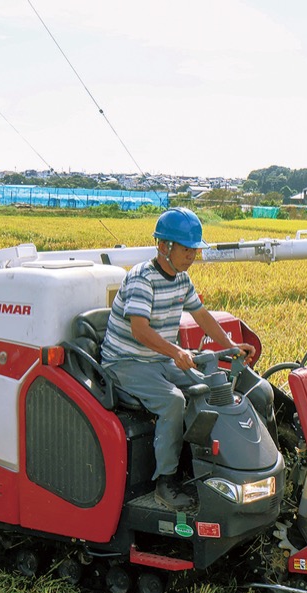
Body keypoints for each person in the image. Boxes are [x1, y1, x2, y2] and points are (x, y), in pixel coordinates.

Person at [101, 207, 256, 510]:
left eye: (195, 250)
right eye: (187, 250)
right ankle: (165, 482)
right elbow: (140, 330)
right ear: (163, 246)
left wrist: (231, 345)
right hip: (125, 362)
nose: (192, 257)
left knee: (212, 385)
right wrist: (177, 352)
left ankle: (201, 466)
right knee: (173, 402)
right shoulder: (142, 279)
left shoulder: (181, 280)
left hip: (158, 360)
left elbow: (202, 316)